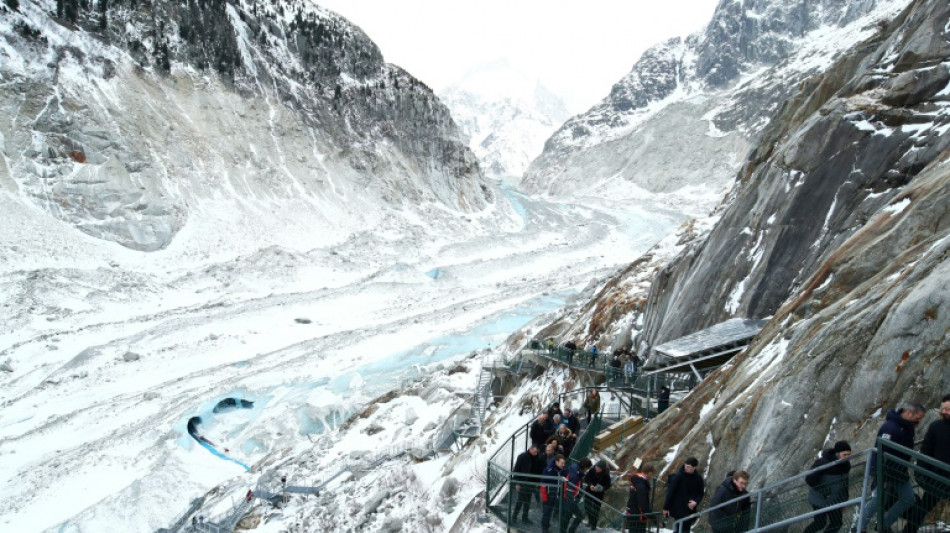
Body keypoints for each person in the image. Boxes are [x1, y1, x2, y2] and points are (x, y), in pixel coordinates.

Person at [858, 402, 926, 532]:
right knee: (879, 500)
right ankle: (858, 526)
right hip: (886, 471)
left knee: (908, 499)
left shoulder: (907, 427)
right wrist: (881, 475)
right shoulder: (890, 428)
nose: (919, 421)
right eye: (918, 418)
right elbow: (881, 451)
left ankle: (883, 524)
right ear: (909, 413)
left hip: (899, 471)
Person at [903, 394, 950, 533]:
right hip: (937, 477)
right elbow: (926, 450)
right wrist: (922, 472)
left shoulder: (936, 426)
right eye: (943, 408)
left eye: (947, 409)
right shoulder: (936, 426)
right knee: (924, 507)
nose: (944, 412)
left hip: (939, 477)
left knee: (923, 506)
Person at [802, 441, 852, 533]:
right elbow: (810, 479)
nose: (847, 457)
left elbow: (845, 484)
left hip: (835, 499)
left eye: (849, 455)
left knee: (837, 523)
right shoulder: (823, 463)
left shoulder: (846, 465)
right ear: (837, 453)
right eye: (844, 454)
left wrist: (844, 501)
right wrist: (825, 491)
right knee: (820, 523)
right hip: (819, 499)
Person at [663, 457, 705, 533]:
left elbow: (700, 492)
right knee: (678, 528)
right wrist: (666, 508)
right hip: (678, 508)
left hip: (689, 509)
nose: (686, 468)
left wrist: (695, 502)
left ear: (694, 467)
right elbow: (670, 492)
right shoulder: (679, 476)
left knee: (685, 530)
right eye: (685, 466)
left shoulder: (698, 478)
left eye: (688, 467)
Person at [513, 444, 541, 524]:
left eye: (536, 451)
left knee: (527, 501)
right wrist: (517, 482)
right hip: (522, 482)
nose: (536, 453)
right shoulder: (522, 456)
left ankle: (524, 517)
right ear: (530, 449)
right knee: (520, 500)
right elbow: (516, 469)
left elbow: (537, 471)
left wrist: (537, 482)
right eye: (535, 451)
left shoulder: (536, 458)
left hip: (530, 483)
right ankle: (514, 516)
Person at [540, 454, 568, 533]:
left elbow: (566, 480)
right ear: (556, 462)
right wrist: (544, 497)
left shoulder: (563, 469)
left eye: (564, 463)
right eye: (562, 463)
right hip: (549, 495)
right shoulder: (548, 470)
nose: (563, 465)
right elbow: (543, 484)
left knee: (561, 512)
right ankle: (545, 529)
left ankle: (561, 529)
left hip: (559, 494)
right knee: (547, 512)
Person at [564, 458, 593, 533]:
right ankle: (568, 530)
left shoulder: (576, 469)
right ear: (585, 467)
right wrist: (574, 499)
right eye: (587, 468)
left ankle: (568, 530)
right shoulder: (575, 474)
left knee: (572, 515)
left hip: (571, 497)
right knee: (570, 515)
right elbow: (570, 488)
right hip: (570, 497)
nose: (587, 470)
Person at [584, 459, 613, 529]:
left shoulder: (606, 475)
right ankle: (590, 521)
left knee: (596, 509)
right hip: (589, 490)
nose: (597, 469)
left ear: (602, 469)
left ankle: (594, 525)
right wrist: (590, 485)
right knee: (587, 506)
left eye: (599, 468)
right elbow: (586, 478)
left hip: (598, 494)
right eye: (596, 467)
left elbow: (608, 485)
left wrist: (602, 488)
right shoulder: (592, 470)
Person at [626, 464, 655, 533]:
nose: (651, 476)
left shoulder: (636, 479)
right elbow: (643, 505)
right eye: (652, 474)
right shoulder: (641, 486)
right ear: (649, 473)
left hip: (632, 512)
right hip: (638, 515)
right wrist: (655, 520)